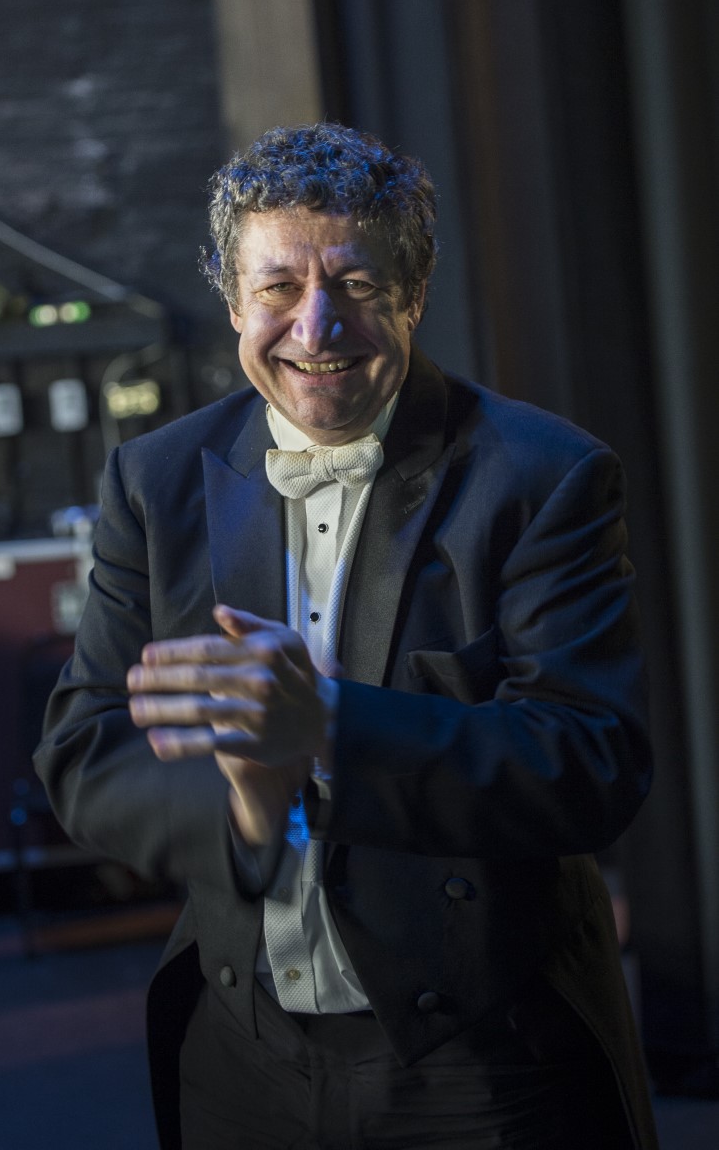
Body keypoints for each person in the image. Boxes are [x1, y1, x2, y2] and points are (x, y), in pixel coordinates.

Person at [35, 122, 658, 1149]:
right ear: (234, 299)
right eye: (277, 286)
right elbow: (83, 753)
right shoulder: (151, 483)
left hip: (483, 1053)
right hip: (239, 1058)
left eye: (357, 284)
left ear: (412, 294)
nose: (314, 325)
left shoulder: (544, 475)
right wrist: (244, 799)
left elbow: (593, 761)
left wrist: (325, 724)